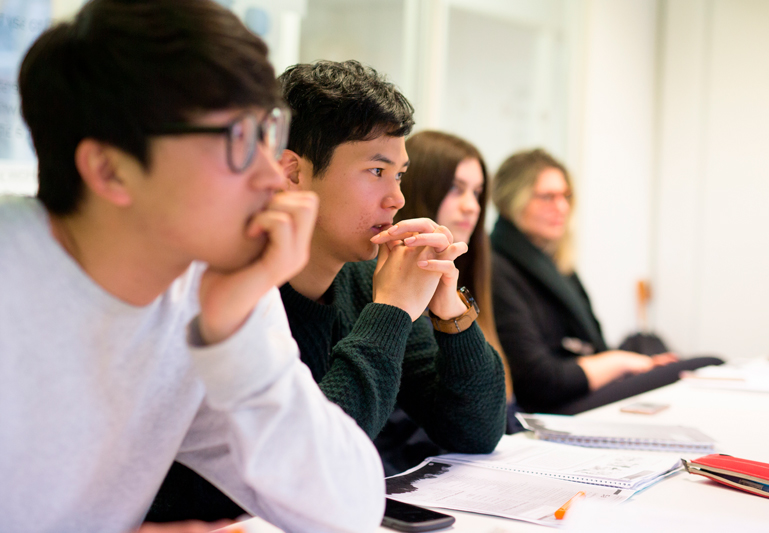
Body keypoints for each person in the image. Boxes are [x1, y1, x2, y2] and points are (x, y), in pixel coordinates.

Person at [0, 1, 384, 532]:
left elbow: (348, 511)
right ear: (109, 170)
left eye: (268, 133)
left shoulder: (212, 284)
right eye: (235, 140)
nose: (273, 177)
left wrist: (235, 329)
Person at [279, 61, 507, 473]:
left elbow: (476, 432)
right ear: (293, 172)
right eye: (377, 171)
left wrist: (450, 312)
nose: (397, 199)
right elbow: (309, 457)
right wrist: (391, 313)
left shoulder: (370, 279)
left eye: (399, 175)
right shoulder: (237, 291)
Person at [490, 148, 723, 416]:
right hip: (553, 407)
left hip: (578, 389)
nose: (562, 207)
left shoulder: (553, 264)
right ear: (512, 201)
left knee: (670, 356)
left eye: (565, 196)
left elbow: (593, 348)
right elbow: (541, 380)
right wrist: (621, 362)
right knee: (710, 363)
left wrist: (628, 362)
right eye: (547, 197)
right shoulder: (497, 269)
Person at [396, 130, 513, 401]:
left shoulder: (473, 267)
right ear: (418, 188)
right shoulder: (384, 278)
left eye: (477, 193)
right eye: (455, 189)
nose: (472, 206)